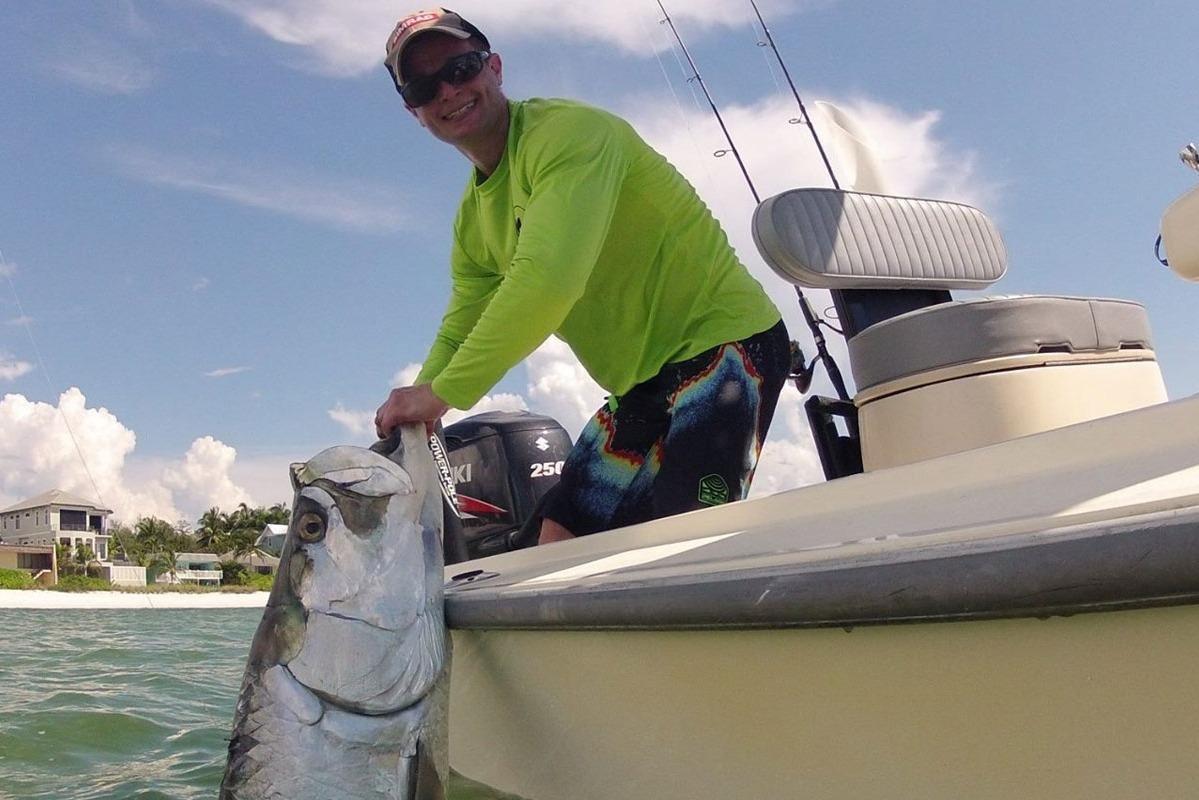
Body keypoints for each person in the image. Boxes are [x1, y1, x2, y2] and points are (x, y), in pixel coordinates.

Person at [375, 8, 790, 546]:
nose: (448, 92)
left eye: (461, 68)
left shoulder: (570, 134)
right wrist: (422, 405)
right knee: (557, 535)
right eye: (425, 87)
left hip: (730, 349)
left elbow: (547, 281)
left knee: (683, 538)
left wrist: (443, 394)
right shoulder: (473, 219)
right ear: (414, 112)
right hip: (639, 387)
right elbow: (462, 323)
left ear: (494, 67)